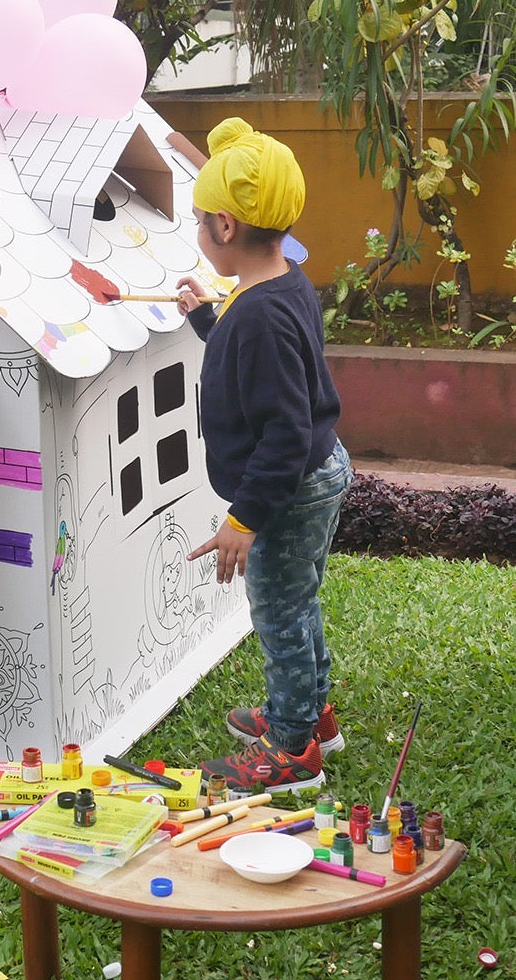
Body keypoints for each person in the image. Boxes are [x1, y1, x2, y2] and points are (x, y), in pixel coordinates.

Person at [176, 117, 352, 797]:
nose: (198, 232)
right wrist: (205, 318)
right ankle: (312, 714)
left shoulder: (258, 315)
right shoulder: (280, 284)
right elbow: (261, 368)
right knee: (296, 601)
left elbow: (282, 433)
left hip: (290, 485)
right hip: (313, 472)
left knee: (278, 611)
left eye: (198, 222)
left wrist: (243, 519)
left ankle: (292, 747)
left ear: (224, 226)